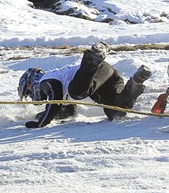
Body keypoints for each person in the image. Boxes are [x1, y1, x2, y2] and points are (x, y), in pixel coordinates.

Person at [18, 42, 151, 128]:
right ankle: (136, 81)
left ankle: (94, 56)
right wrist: (41, 115)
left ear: (31, 82)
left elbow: (55, 99)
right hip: (106, 79)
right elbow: (69, 111)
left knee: (78, 92)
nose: (32, 97)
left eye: (28, 93)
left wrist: (40, 124)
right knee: (115, 113)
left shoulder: (46, 81)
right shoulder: (58, 91)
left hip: (97, 69)